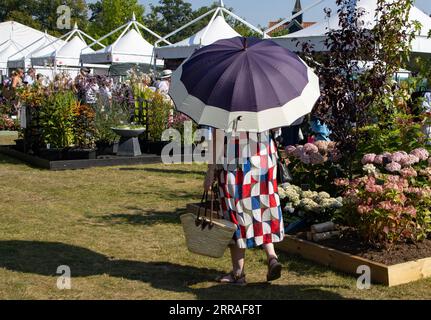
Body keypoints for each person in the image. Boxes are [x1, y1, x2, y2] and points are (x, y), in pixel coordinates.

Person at [204, 127, 285, 285]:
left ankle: (238, 273)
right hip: (263, 159)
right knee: (263, 209)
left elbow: (218, 138)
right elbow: (276, 129)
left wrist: (210, 170)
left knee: (235, 214)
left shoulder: (226, 104)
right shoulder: (265, 103)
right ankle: (271, 256)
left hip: (235, 163)